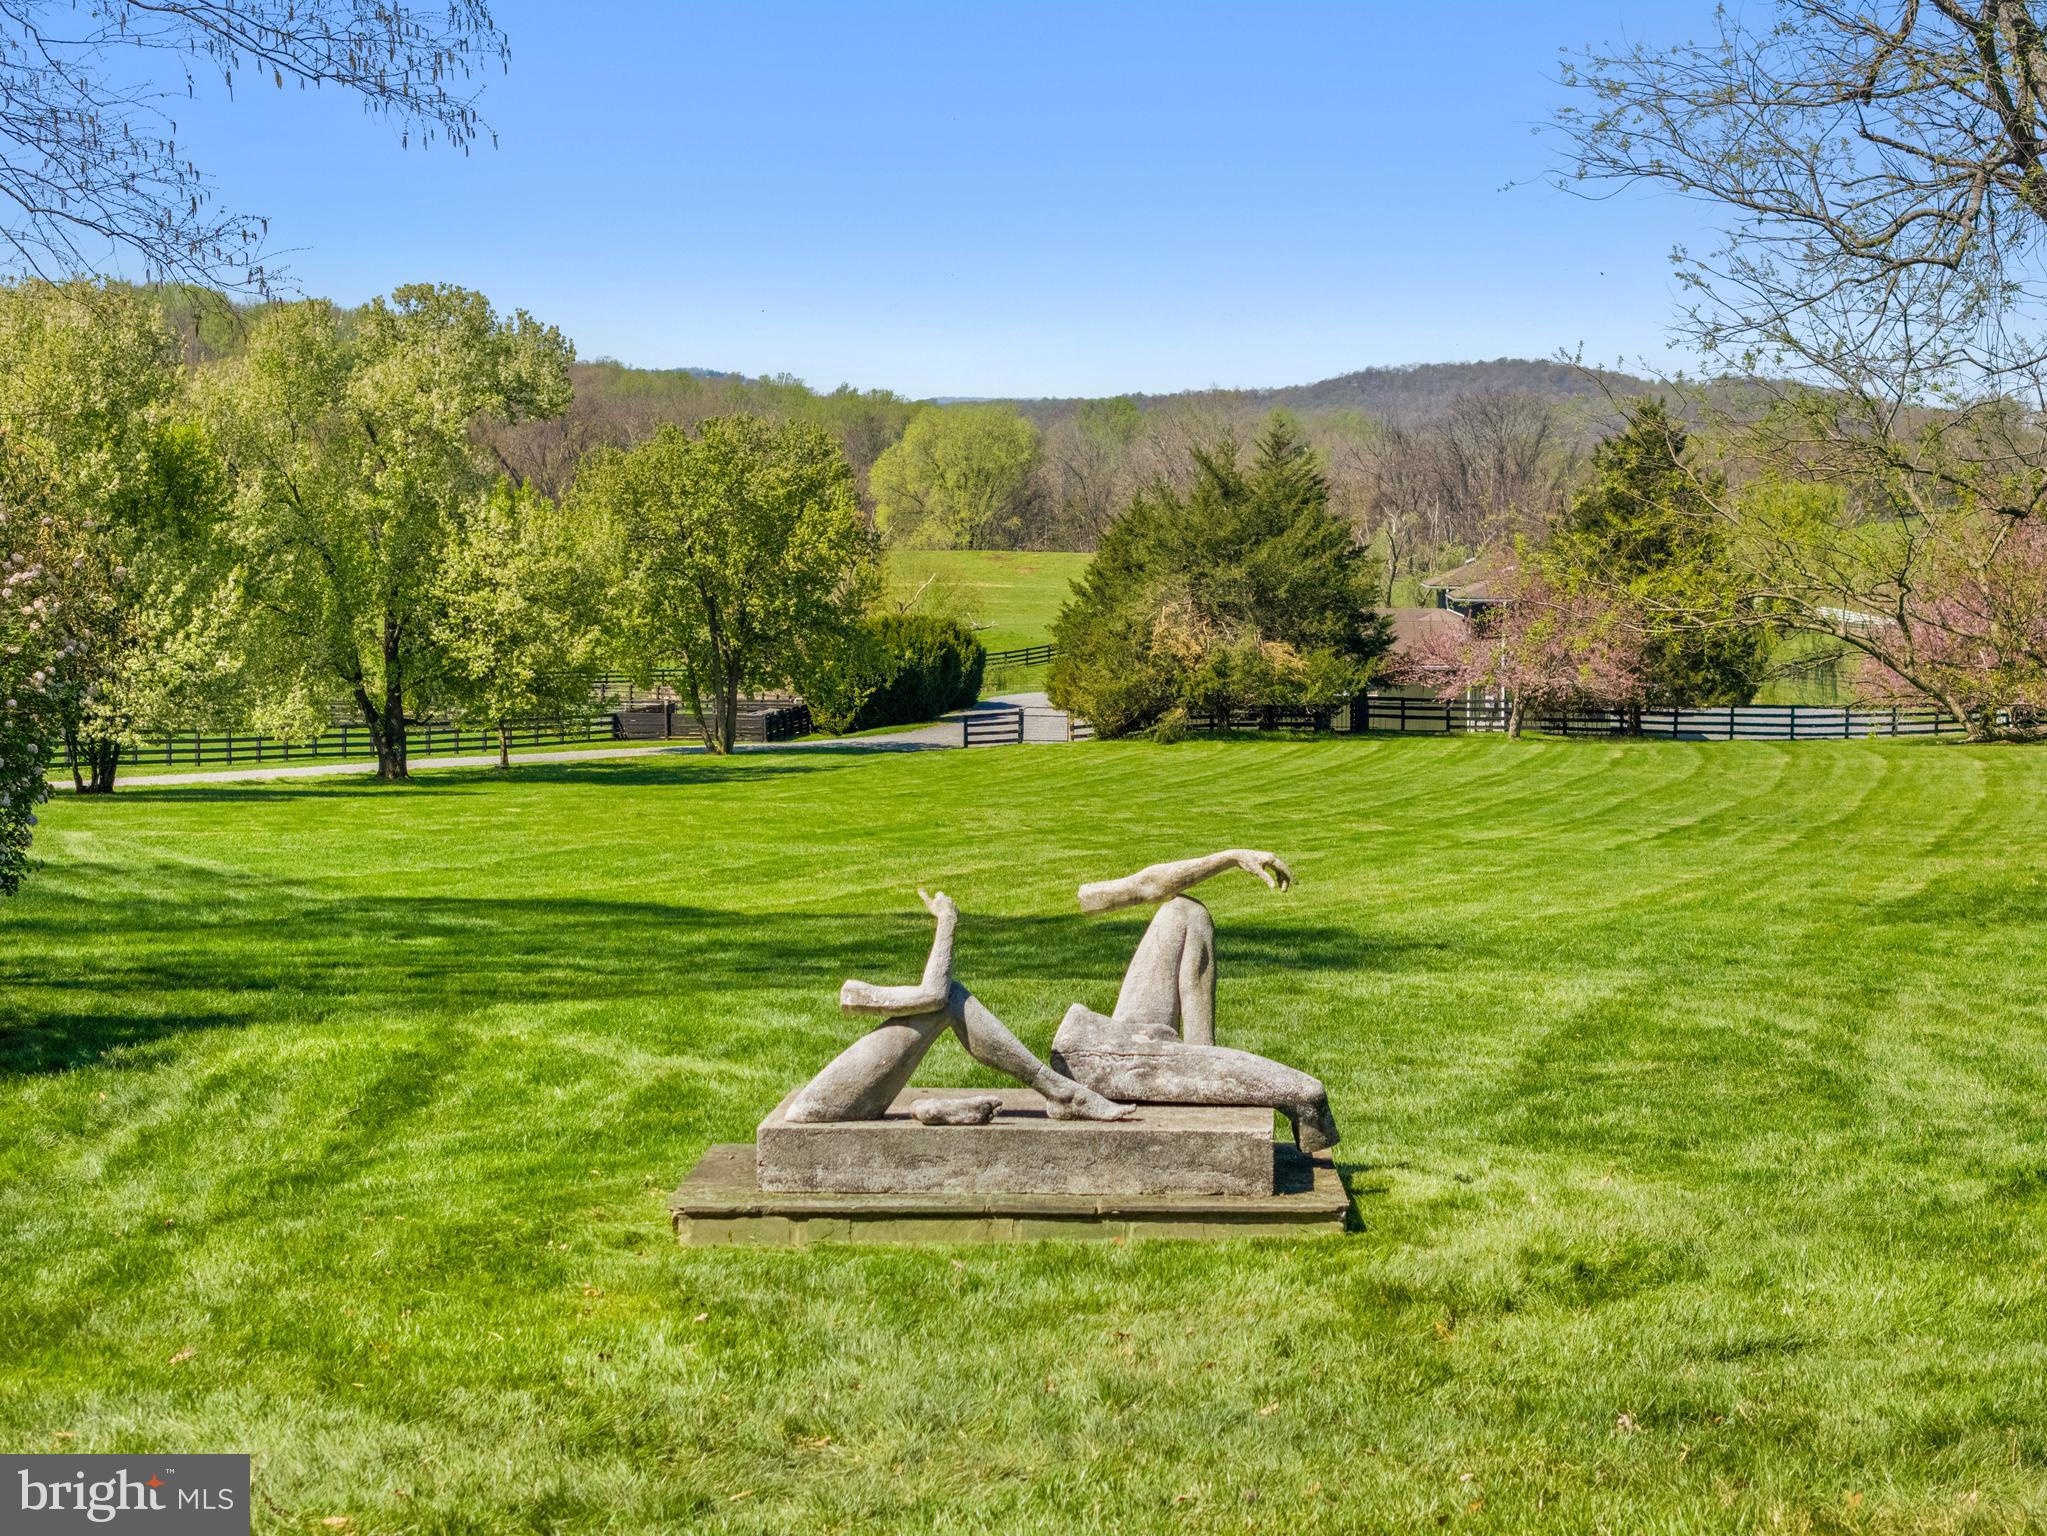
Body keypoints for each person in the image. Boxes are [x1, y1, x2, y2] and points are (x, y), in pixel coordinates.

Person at [1051, 849, 1341, 1153]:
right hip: (1092, 1060)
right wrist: (1062, 1095)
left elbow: (1147, 885)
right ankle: (1216, 1074)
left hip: (1112, 1036)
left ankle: (1201, 1061)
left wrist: (1232, 857)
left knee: (1185, 911)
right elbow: (1019, 1063)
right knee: (1307, 1094)